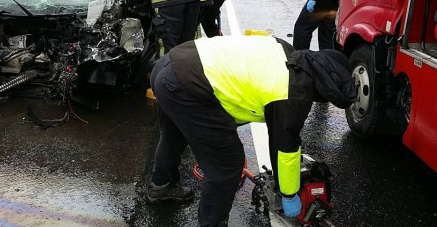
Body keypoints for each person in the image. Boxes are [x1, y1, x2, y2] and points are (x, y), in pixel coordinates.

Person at [147, 34, 357, 227]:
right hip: (186, 84)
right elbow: (285, 148)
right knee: (227, 165)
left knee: (173, 135)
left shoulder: (287, 51)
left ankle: (161, 187)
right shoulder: (293, 91)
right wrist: (290, 193)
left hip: (170, 65)